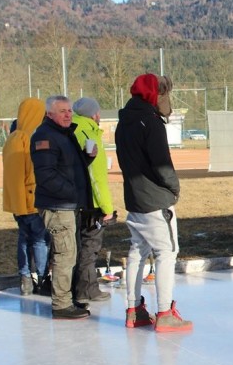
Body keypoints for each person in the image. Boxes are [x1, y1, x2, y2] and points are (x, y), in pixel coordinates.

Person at [116, 73, 192, 332]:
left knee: (137, 252)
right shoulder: (150, 122)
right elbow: (162, 164)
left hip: (134, 199)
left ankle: (133, 309)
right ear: (154, 95)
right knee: (166, 253)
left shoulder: (124, 121)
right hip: (155, 201)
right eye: (163, 94)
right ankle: (164, 312)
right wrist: (173, 187)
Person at [31, 96, 92, 319]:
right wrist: (72, 193)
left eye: (69, 110)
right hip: (58, 206)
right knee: (65, 255)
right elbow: (46, 175)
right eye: (62, 111)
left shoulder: (64, 135)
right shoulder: (45, 136)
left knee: (70, 254)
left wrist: (87, 157)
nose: (68, 114)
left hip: (68, 204)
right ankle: (61, 304)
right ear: (49, 114)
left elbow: (68, 168)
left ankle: (66, 298)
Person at [2, 98, 50, 295]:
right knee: (40, 240)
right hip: (33, 198)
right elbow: (32, 172)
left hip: (17, 201)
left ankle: (25, 278)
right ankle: (42, 278)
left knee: (23, 238)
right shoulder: (31, 138)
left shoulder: (13, 138)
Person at [71, 97, 115, 304]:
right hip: (91, 203)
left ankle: (75, 288)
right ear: (95, 114)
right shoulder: (89, 134)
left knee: (76, 247)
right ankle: (87, 289)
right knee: (90, 247)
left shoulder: (71, 130)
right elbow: (96, 176)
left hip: (74, 200)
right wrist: (107, 207)